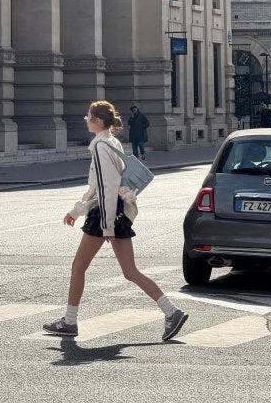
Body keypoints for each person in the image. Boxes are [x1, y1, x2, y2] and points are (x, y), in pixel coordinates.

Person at [42, 100, 188, 341]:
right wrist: (78, 210)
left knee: (79, 266)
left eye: (88, 117)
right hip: (114, 212)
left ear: (98, 121)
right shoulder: (112, 142)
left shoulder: (101, 147)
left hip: (105, 214)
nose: (86, 121)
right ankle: (172, 312)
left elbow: (106, 189)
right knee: (130, 271)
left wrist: (107, 226)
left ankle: (69, 321)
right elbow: (104, 188)